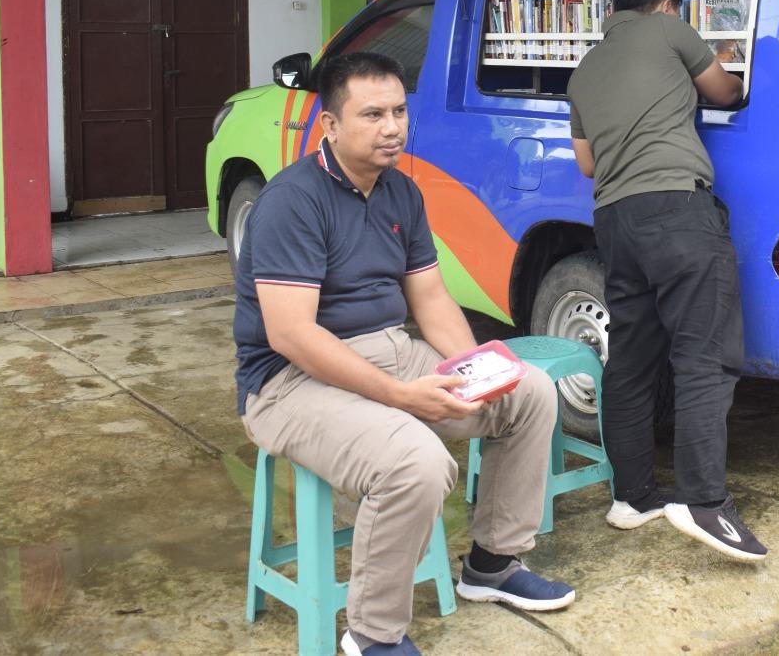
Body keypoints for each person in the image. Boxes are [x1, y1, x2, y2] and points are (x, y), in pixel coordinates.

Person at [234, 52, 571, 656]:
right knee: (416, 463)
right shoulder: (293, 201)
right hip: (288, 380)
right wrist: (396, 396)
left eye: (398, 111)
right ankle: (372, 634)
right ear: (330, 125)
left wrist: (477, 372)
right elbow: (291, 335)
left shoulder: (401, 192)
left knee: (528, 393)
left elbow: (432, 296)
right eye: (372, 115)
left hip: (388, 349)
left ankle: (493, 562)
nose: (392, 127)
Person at [567, 0, 766, 563]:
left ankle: (632, 497)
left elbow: (587, 165)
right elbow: (725, 92)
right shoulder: (668, 30)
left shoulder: (583, 70)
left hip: (615, 222)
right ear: (664, 7)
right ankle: (704, 501)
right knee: (705, 357)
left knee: (629, 360)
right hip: (677, 210)